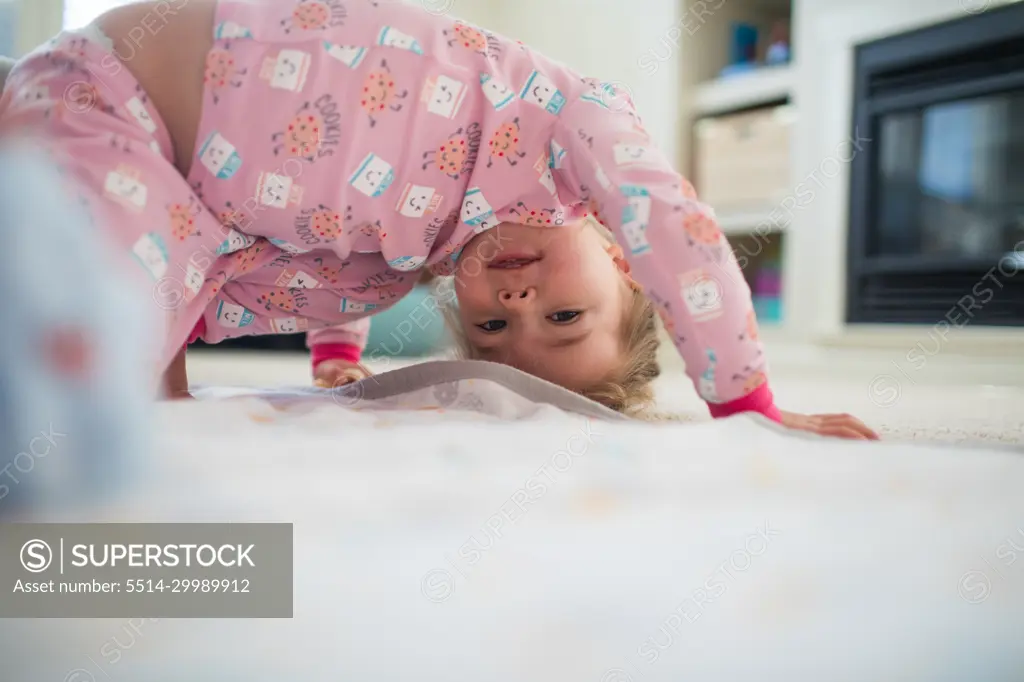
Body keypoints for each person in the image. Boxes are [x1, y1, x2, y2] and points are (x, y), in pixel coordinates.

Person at [0, 0, 877, 439]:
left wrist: (338, 354)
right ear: (620, 255)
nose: (521, 298)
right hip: (118, 88)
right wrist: (747, 405)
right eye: (566, 316)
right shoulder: (575, 127)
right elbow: (678, 227)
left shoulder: (409, 250)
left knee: (121, 387)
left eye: (496, 325)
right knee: (63, 355)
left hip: (148, 181)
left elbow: (325, 224)